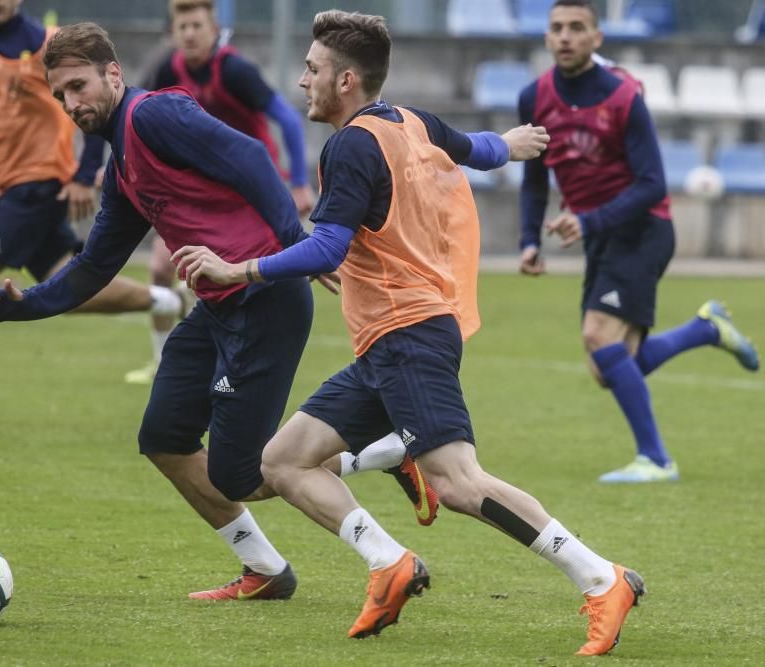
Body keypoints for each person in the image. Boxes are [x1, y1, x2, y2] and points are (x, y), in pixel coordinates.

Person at [177, 9, 644, 656]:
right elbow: (476, 151)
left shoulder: (348, 145)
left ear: (345, 80)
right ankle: (389, 559)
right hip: (392, 340)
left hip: (407, 335)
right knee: (283, 461)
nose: (302, 79)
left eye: (312, 69)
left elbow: (327, 247)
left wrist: (241, 267)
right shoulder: (411, 120)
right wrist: (510, 143)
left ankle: (600, 576)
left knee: (458, 482)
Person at [0, 21, 435, 601]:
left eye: (79, 86)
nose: (71, 103)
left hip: (264, 302)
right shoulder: (123, 168)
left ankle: (383, 452)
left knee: (244, 472)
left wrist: (295, 242)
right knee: (163, 436)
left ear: (113, 75)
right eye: (61, 93)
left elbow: (249, 154)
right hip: (216, 311)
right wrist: (23, 306)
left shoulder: (153, 116)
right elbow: (94, 267)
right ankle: (265, 569)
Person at [0, 0, 184, 423]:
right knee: (66, 286)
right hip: (12, 184)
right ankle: (165, 299)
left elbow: (96, 106)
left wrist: (84, 175)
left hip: (43, 184)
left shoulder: (50, 46)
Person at [517, 0, 760, 483]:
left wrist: (587, 221)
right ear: (547, 37)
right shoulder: (534, 97)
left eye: (576, 28)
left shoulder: (624, 98)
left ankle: (656, 459)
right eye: (557, 28)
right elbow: (534, 178)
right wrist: (529, 240)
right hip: (602, 236)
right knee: (607, 368)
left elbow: (652, 183)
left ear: (597, 38)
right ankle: (705, 329)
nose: (565, 36)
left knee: (597, 336)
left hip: (643, 228)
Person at [123, 0, 315, 385]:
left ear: (214, 29)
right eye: (183, 27)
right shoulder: (168, 69)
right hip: (199, 195)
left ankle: (242, 365)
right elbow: (130, 118)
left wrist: (298, 182)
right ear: (173, 32)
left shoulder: (235, 70)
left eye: (197, 25)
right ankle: (163, 359)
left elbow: (289, 122)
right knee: (161, 268)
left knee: (246, 279)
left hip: (250, 193)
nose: (190, 34)